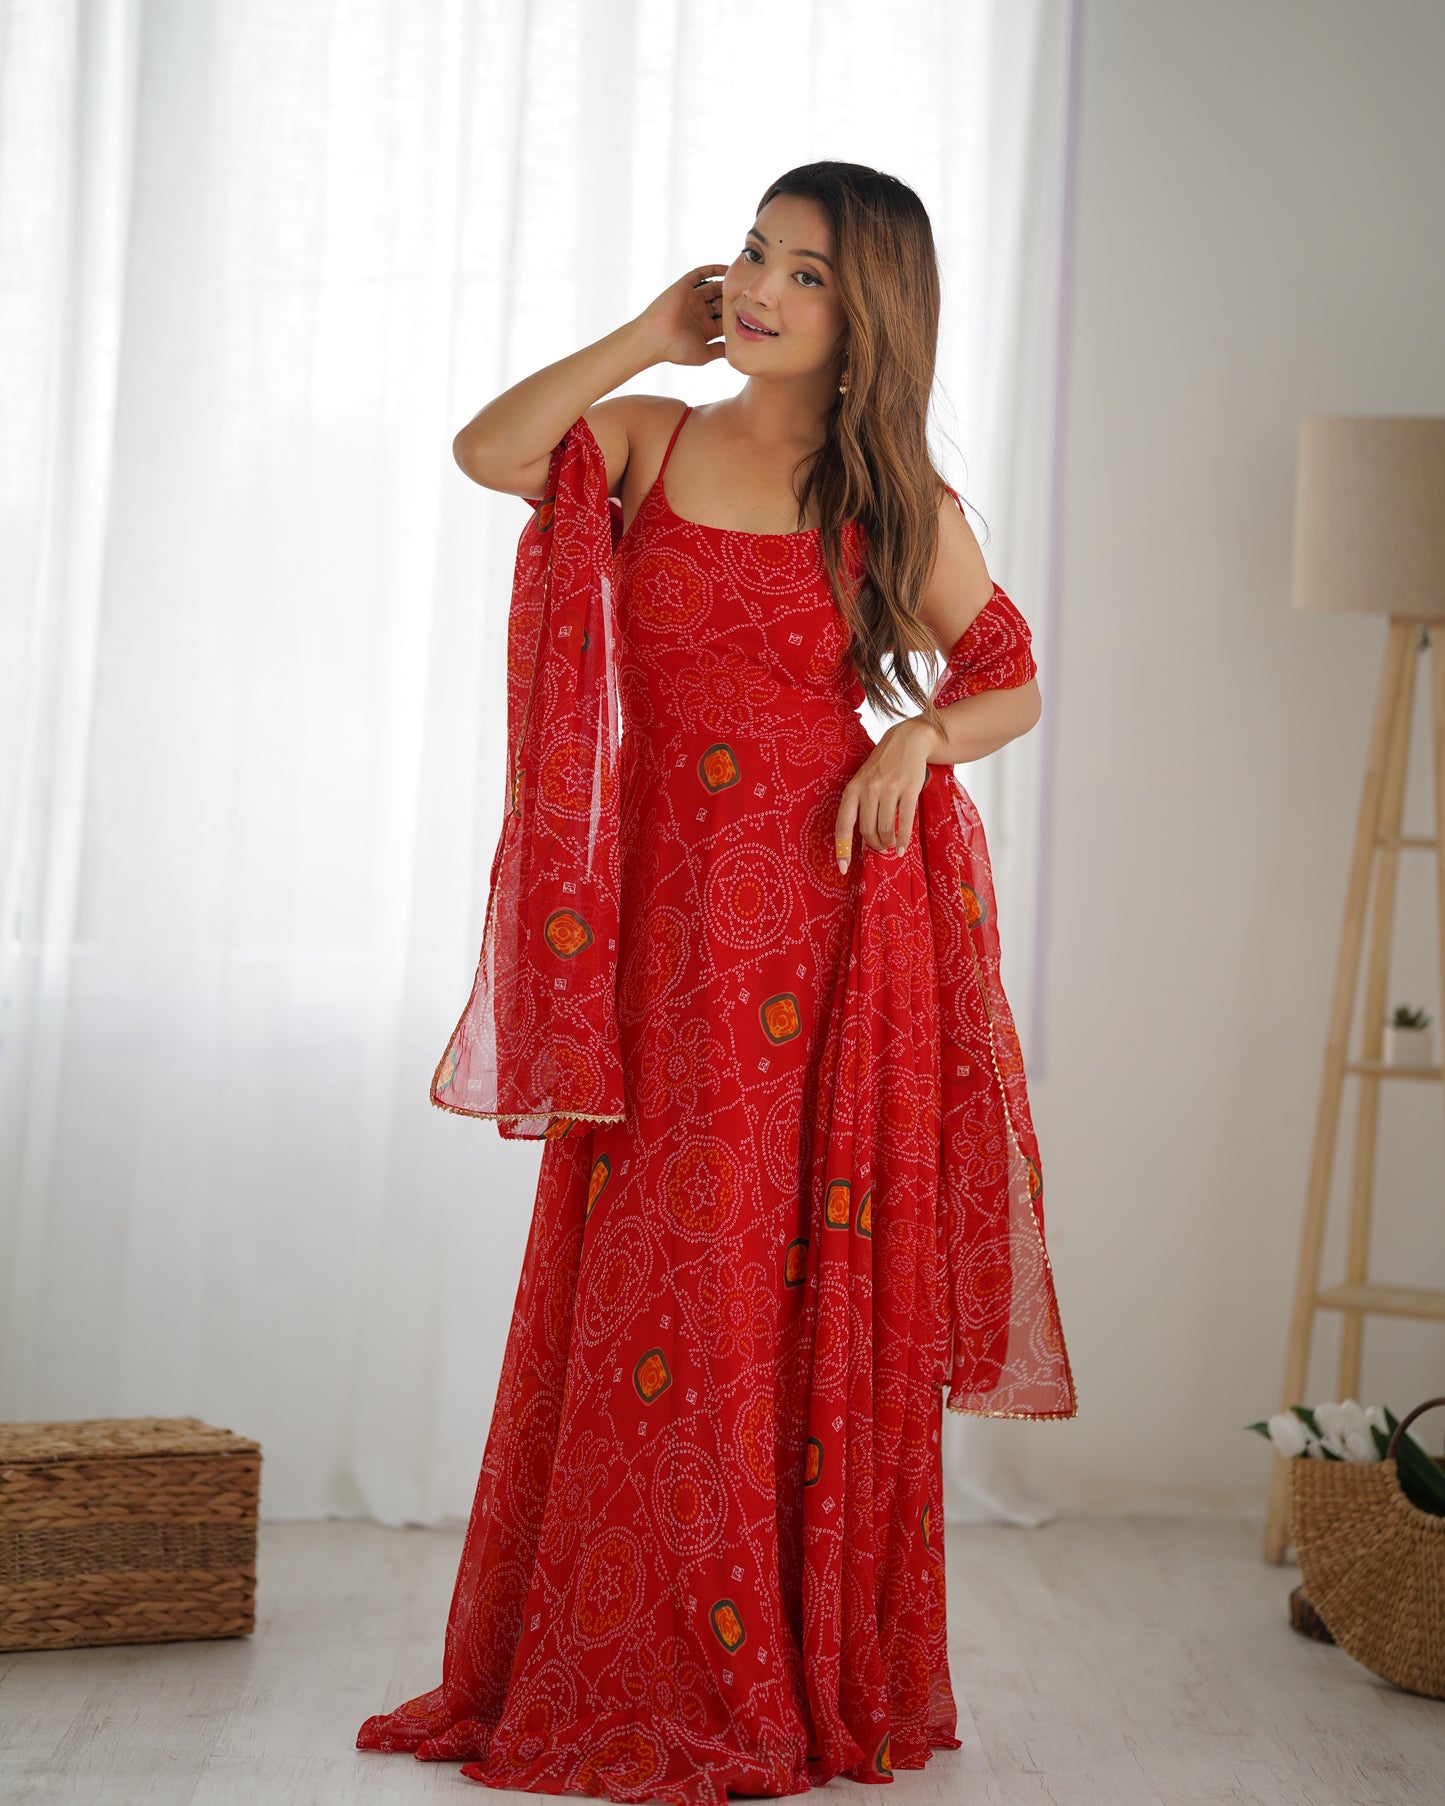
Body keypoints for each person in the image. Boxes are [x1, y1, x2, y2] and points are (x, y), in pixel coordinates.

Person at [357, 160, 1076, 1804]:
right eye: (754, 253)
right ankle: (639, 1635)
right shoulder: (647, 442)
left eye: (804, 274)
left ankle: (769, 1656)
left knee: (772, 1287)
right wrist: (638, 336)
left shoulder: (891, 507)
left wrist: (914, 732)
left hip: (824, 934)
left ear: (866, 314)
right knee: (660, 1281)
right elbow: (484, 451)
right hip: (661, 931)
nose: (758, 286)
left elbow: (1010, 678)